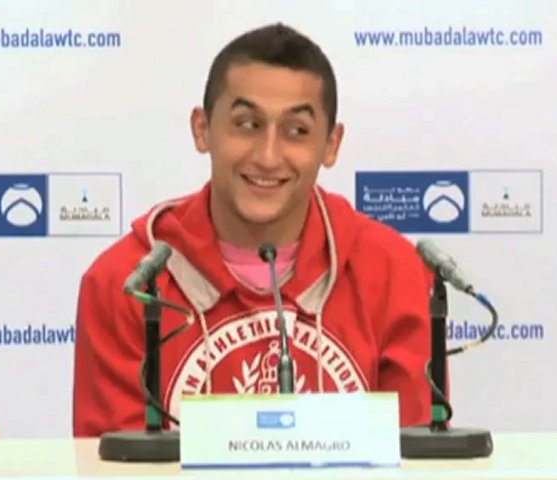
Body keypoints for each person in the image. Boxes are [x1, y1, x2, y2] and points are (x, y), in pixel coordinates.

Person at [72, 22, 433, 437]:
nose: (268, 156)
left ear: (331, 145)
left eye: (297, 131)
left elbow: (414, 457)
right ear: (202, 129)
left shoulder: (392, 271)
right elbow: (112, 463)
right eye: (247, 124)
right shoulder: (126, 282)